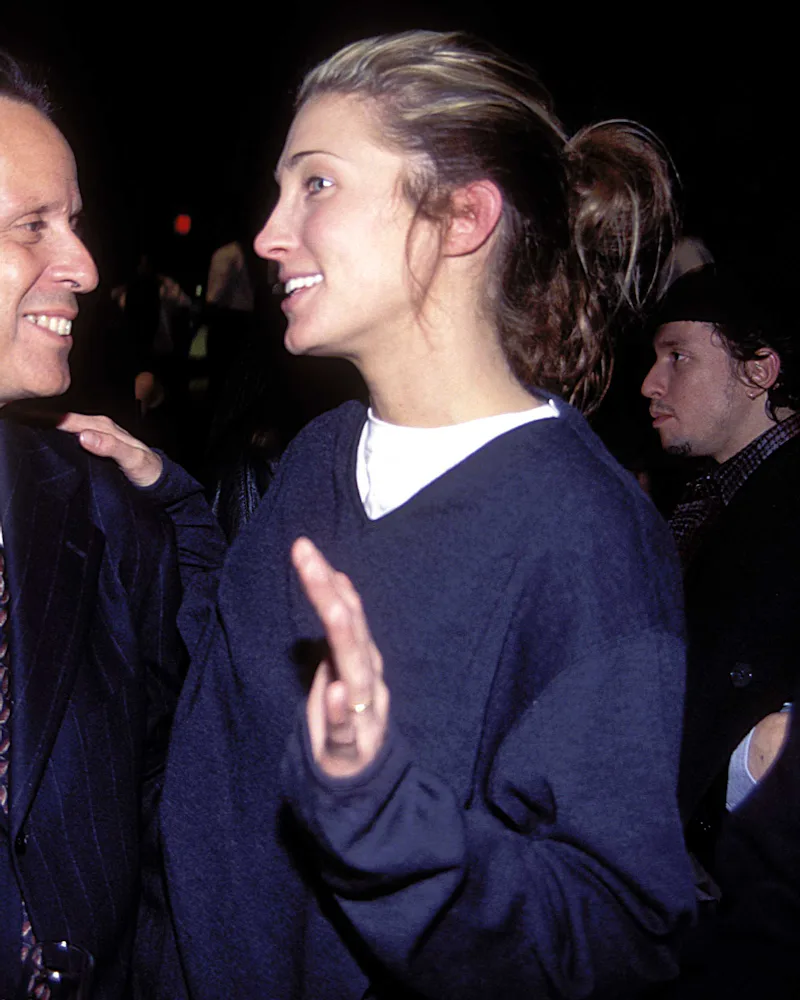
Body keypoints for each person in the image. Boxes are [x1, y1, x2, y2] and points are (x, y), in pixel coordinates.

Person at [68, 30, 696, 999]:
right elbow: (234, 674)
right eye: (280, 191)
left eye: (315, 184)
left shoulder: (586, 540)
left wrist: (388, 820)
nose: (270, 234)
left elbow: (614, 938)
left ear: (460, 217)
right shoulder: (323, 454)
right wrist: (172, 502)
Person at [0, 53, 191, 999]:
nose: (83, 265)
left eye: (72, 222)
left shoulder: (110, 515)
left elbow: (167, 790)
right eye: (34, 225)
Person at [641, 266, 800, 995]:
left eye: (679, 357)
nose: (650, 382)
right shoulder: (708, 495)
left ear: (758, 370)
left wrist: (747, 769)